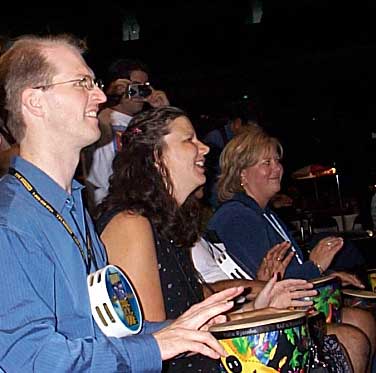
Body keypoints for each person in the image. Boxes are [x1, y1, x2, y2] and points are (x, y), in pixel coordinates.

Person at [0, 33, 249, 372]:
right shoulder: (10, 221)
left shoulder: (70, 209)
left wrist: (178, 330)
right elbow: (33, 360)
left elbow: (105, 335)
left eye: (95, 83)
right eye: (82, 83)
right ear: (35, 101)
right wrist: (154, 347)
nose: (100, 96)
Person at [96, 106, 318, 372]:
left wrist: (260, 305)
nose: (205, 148)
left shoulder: (166, 224)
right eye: (189, 140)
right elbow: (158, 342)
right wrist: (259, 313)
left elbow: (194, 308)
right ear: (156, 156)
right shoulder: (132, 224)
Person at [207, 127, 375, 372]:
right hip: (264, 328)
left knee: (363, 317)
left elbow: (287, 271)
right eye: (266, 162)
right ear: (242, 173)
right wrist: (316, 266)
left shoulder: (262, 212)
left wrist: (327, 275)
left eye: (277, 160)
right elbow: (271, 285)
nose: (277, 168)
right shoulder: (236, 217)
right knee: (357, 330)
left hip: (288, 309)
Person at [85, 58, 169, 208]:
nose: (139, 93)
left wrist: (163, 112)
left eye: (144, 87)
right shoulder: (100, 121)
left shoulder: (142, 125)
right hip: (110, 209)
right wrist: (110, 97)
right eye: (134, 87)